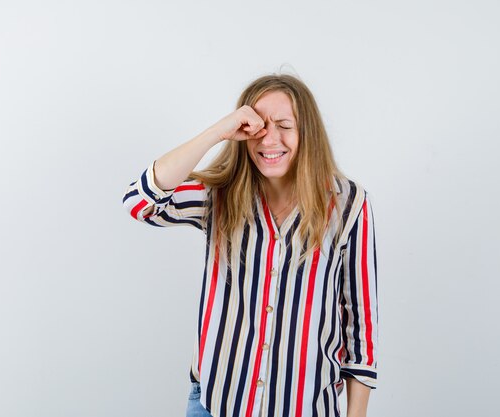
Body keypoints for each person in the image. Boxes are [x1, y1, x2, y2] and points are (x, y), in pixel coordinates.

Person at [122, 73, 378, 417]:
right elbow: (140, 203)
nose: (269, 139)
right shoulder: (219, 195)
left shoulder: (348, 204)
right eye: (257, 126)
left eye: (285, 125)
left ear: (308, 134)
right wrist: (217, 131)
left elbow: (360, 326)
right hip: (217, 405)